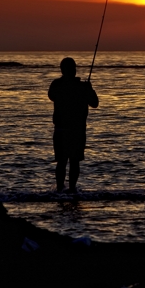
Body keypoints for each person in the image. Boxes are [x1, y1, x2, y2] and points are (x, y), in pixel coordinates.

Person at [48, 57, 99, 193]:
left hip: (67, 130)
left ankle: (64, 189)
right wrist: (88, 89)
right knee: (70, 162)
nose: (74, 71)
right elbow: (94, 103)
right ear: (64, 70)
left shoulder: (59, 85)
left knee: (64, 162)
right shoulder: (76, 86)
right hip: (72, 130)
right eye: (71, 68)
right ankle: (69, 189)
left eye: (74, 68)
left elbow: (94, 103)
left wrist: (89, 89)